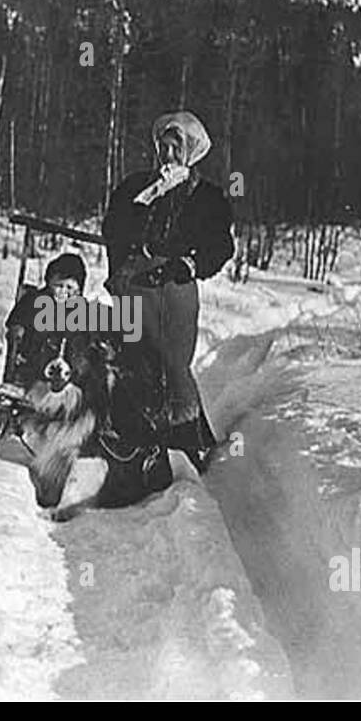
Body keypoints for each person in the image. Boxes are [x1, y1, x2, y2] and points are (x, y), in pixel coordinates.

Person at [101, 110, 234, 472]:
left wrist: (189, 264)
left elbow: (220, 245)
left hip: (174, 287)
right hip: (133, 284)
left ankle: (188, 441)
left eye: (177, 148)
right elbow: (112, 228)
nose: (168, 154)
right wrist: (122, 262)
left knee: (173, 363)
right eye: (164, 146)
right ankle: (134, 439)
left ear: (192, 151)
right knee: (131, 357)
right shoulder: (135, 187)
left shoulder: (208, 197)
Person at [0, 252, 87, 394]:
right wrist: (18, 329)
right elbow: (16, 319)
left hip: (65, 372)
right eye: (59, 285)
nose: (63, 291)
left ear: (78, 291)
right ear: (49, 282)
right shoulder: (33, 300)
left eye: (69, 288)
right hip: (33, 363)